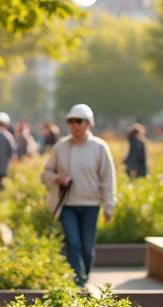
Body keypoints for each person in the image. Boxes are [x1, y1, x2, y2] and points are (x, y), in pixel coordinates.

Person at [42, 104, 116, 287]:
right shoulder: (60, 147)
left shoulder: (100, 147)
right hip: (67, 204)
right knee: (73, 243)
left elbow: (108, 178)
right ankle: (78, 281)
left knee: (87, 247)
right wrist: (57, 178)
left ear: (89, 123)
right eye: (71, 121)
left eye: (79, 121)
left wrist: (109, 205)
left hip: (91, 205)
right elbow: (45, 173)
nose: (75, 125)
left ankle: (85, 275)